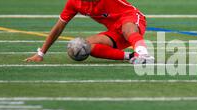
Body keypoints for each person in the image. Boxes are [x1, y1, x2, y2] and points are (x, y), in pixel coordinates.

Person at [25, 0, 154, 64]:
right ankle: (131, 57)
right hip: (115, 32)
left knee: (127, 29)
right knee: (82, 47)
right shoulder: (74, 3)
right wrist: (41, 53)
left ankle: (144, 55)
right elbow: (58, 27)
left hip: (131, 18)